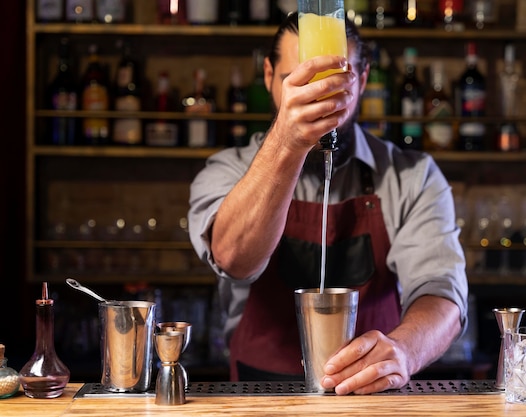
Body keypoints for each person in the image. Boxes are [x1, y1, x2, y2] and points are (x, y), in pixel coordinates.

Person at [189, 13, 468, 395]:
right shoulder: (228, 170)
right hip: (261, 393)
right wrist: (288, 142)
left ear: (364, 78)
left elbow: (441, 292)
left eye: (336, 82)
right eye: (296, 82)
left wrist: (403, 351)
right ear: (269, 76)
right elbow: (234, 260)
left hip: (372, 392)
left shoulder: (413, 175)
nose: (316, 99)